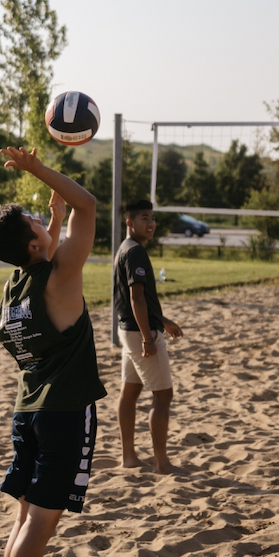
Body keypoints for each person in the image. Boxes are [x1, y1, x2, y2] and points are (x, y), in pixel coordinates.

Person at [0, 146, 106, 557]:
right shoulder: (60, 278)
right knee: (41, 523)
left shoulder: (14, 290)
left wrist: (51, 218)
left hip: (27, 412)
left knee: (25, 517)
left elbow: (40, 257)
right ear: (33, 243)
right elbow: (88, 206)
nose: (40, 219)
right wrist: (40, 171)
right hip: (66, 412)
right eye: (35, 221)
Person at [113, 199, 185, 475]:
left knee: (130, 392)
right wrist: (147, 338)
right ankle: (162, 463)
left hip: (127, 330)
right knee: (163, 395)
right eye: (144, 218)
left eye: (153, 217)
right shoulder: (135, 253)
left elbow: (137, 298)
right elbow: (135, 297)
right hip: (138, 333)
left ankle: (129, 457)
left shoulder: (125, 248)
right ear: (130, 222)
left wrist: (162, 321)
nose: (151, 222)